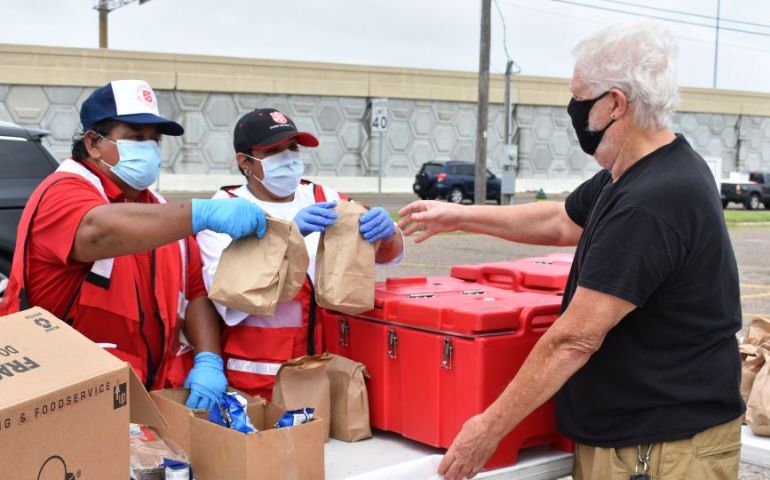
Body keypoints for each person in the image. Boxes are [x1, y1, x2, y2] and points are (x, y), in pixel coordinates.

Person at [399, 22, 744, 480]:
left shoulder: (653, 198)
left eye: (580, 98)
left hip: (659, 450)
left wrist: (489, 428)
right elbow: (563, 220)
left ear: (616, 103)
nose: (573, 110)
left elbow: (574, 338)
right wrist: (458, 216)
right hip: (637, 440)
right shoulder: (634, 171)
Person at [0, 80, 269, 412]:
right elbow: (98, 230)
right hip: (63, 404)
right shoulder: (61, 193)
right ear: (93, 143)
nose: (149, 148)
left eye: (154, 139)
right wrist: (201, 213)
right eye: (135, 138)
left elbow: (195, 291)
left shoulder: (159, 208)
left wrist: (208, 359)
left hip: (144, 400)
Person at [197, 108, 404, 399]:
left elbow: (383, 255)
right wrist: (287, 238)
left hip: (322, 375)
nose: (289, 158)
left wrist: (388, 233)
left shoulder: (324, 197)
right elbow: (227, 298)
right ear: (245, 163)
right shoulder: (223, 213)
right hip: (256, 383)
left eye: (292, 148)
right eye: (274, 151)